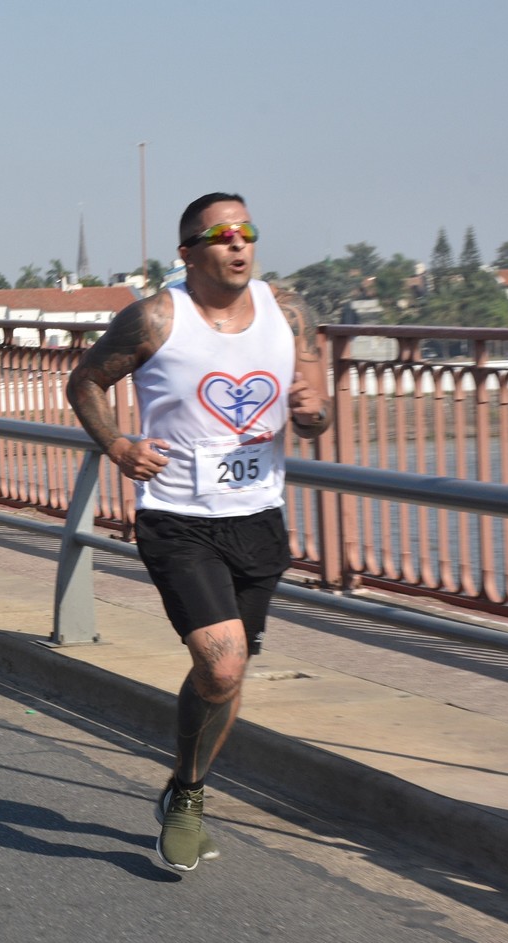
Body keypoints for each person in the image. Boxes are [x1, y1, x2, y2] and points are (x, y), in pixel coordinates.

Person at [66, 192, 331, 873]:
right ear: (188, 252)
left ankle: (185, 786)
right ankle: (186, 801)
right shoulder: (157, 318)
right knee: (221, 662)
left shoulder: (288, 313)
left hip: (258, 520)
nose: (237, 245)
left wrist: (312, 413)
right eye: (220, 235)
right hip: (179, 519)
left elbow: (312, 408)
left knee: (227, 673)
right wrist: (118, 446)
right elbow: (85, 382)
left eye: (246, 232)